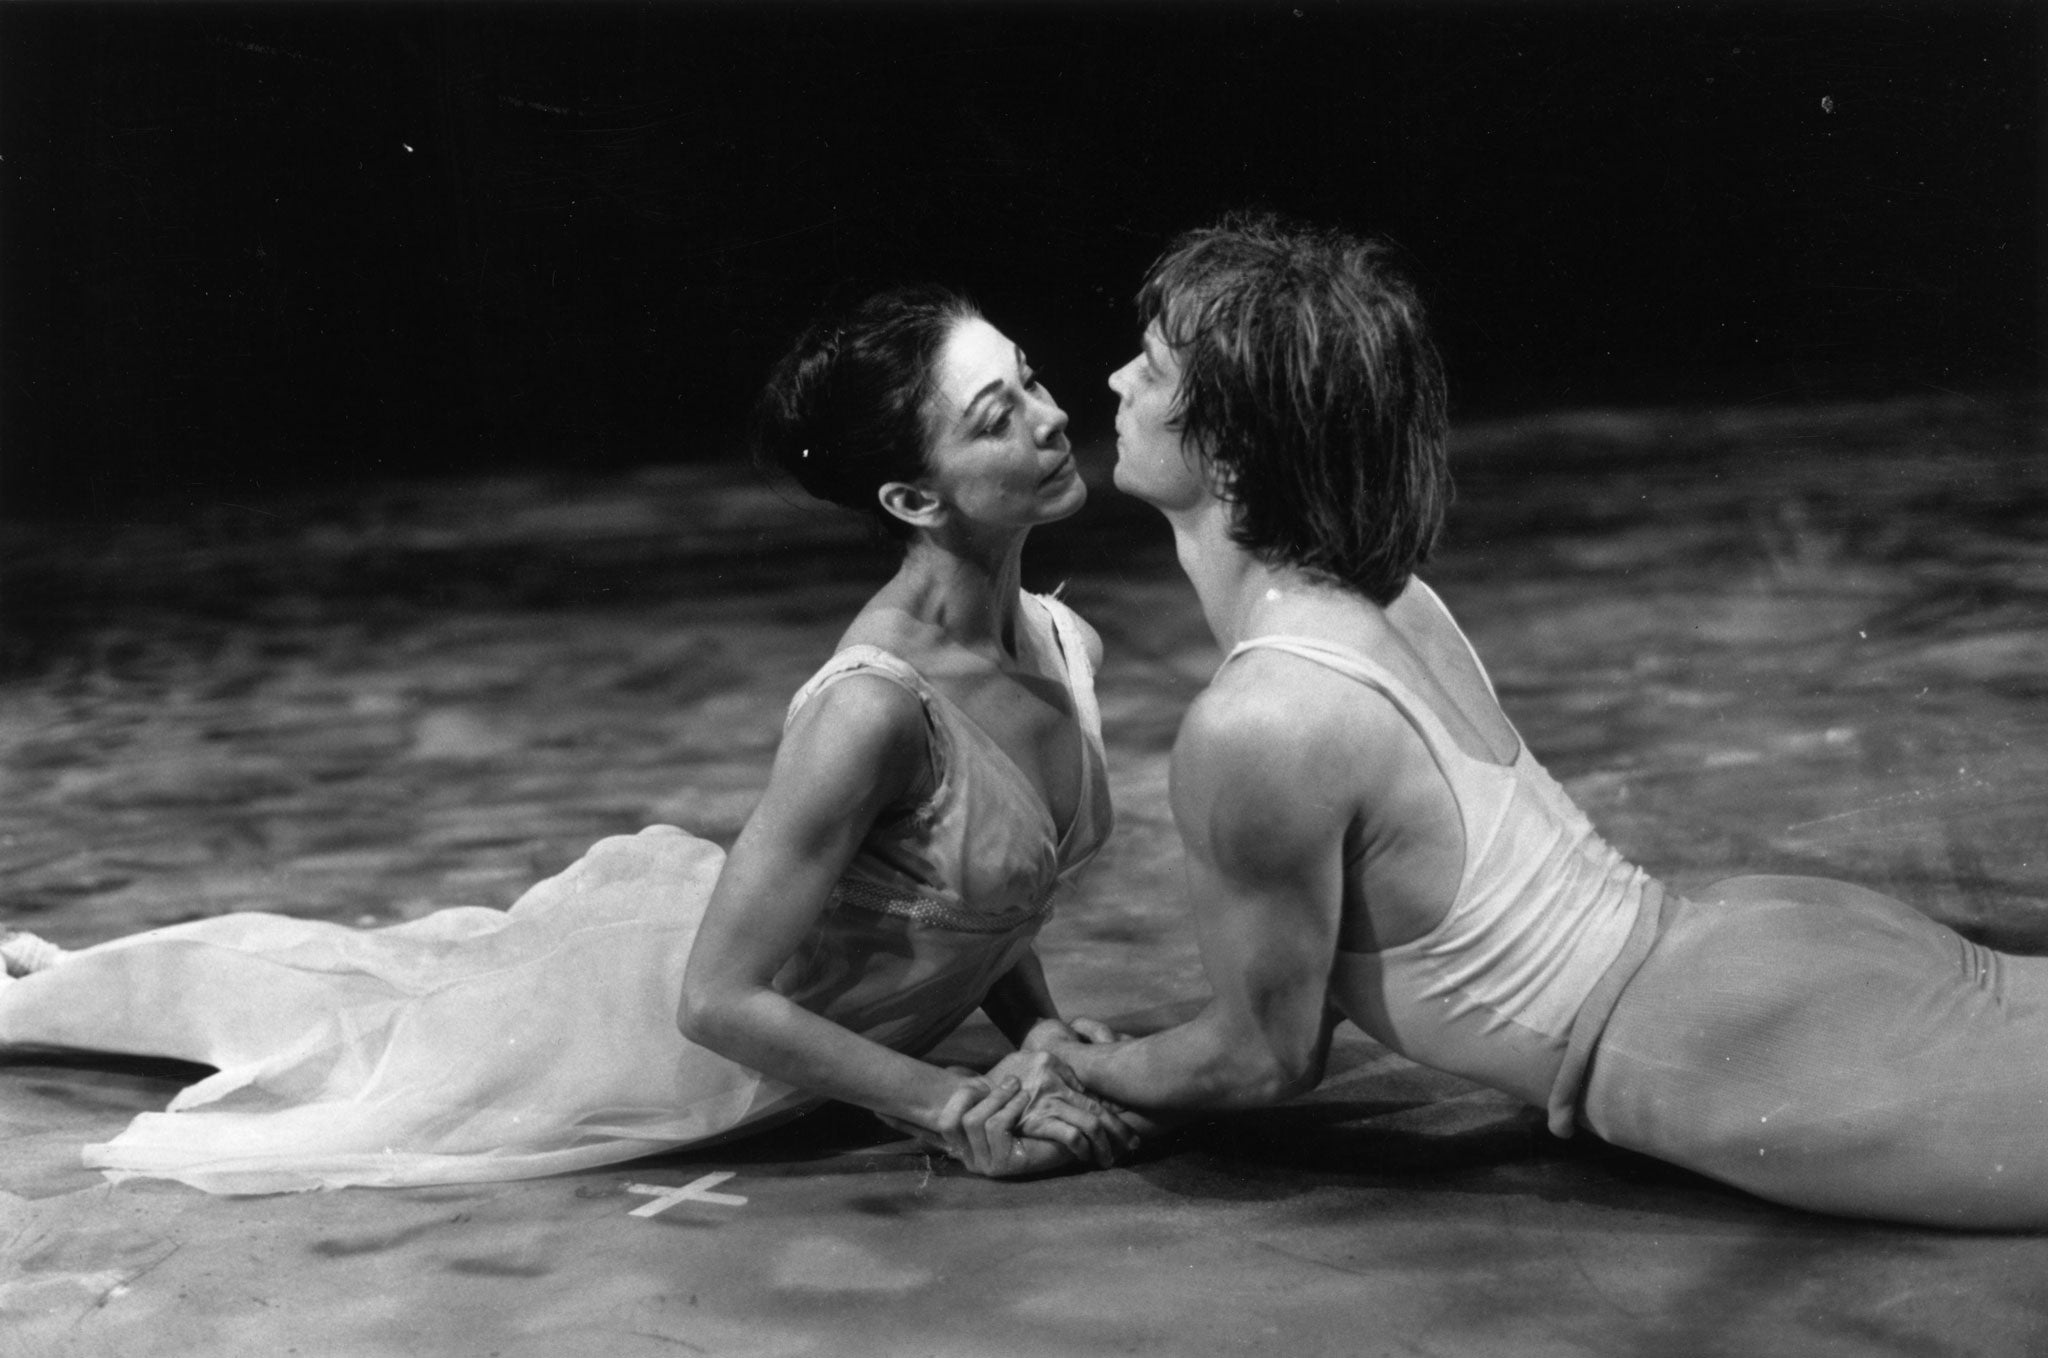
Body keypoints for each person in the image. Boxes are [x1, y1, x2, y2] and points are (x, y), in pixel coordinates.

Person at [1033, 212, 2048, 1229]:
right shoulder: (1386, 599)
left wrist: (1088, 1065)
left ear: (1234, 455)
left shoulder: (1259, 721)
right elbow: (1306, 966)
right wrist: (1146, 1067)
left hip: (1717, 1038)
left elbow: (1264, 1054)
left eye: (1153, 367)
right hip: (1750, 963)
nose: (1117, 380)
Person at [0, 284, 1132, 1193]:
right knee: (347, 1013)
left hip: (799, 1004)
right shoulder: (871, 707)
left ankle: (55, 973)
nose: (1047, 415)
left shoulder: (1052, 636)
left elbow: (977, 885)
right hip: (657, 1047)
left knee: (377, 974)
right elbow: (716, 1001)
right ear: (913, 500)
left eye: (1026, 376)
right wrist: (946, 1103)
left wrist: (1037, 1031)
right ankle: (37, 986)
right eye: (996, 415)